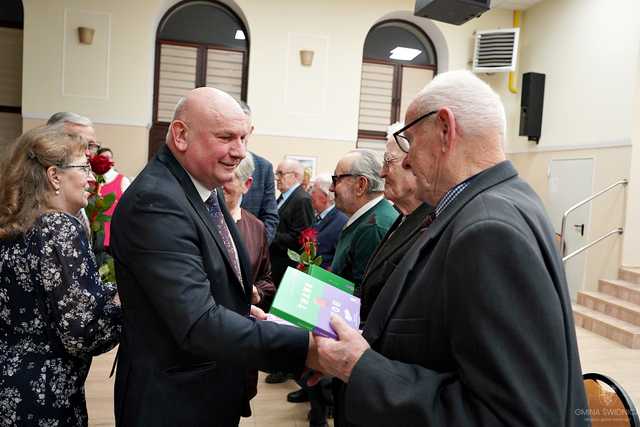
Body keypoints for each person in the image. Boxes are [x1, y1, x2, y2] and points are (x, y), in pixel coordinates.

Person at [308, 70, 589, 426]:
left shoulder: (488, 228)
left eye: (409, 141)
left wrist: (361, 367)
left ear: (445, 129)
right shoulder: (499, 201)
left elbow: (512, 416)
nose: (405, 161)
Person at [110, 87, 311, 426]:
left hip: (209, 389)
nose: (239, 152)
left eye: (244, 138)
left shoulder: (201, 187)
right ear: (181, 135)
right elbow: (198, 323)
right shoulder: (156, 202)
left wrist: (237, 307)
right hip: (174, 403)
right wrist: (308, 347)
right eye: (226, 137)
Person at [0, 125, 121, 426]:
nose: (92, 179)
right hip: (45, 397)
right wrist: (127, 301)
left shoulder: (16, 226)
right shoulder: (59, 227)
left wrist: (109, 291)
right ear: (55, 176)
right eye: (84, 168)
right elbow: (84, 334)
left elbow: (52, 296)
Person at [358, 122, 432, 323]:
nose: (382, 173)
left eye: (388, 162)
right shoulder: (403, 216)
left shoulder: (431, 227)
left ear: (414, 163)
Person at [265, 158, 315, 384]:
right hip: (278, 266)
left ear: (295, 176)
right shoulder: (285, 197)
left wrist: (268, 235)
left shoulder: (302, 199)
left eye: (281, 173)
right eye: (276, 173)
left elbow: (301, 237)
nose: (277, 178)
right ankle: (278, 364)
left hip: (289, 267)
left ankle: (284, 369)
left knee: (285, 321)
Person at [330, 149, 398, 292]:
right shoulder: (369, 219)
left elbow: (364, 296)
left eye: (336, 180)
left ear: (361, 185)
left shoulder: (373, 227)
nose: (331, 188)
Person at [222, 152, 276, 311]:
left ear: (246, 184)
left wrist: (256, 293)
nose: (220, 184)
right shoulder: (197, 217)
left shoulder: (256, 227)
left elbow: (266, 280)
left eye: (229, 178)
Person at [237, 101, 279, 243]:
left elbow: (270, 217)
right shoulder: (212, 163)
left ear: (251, 130)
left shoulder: (263, 168)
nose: (239, 136)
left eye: (243, 131)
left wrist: (257, 249)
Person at [309, 173, 348, 269]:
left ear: (324, 196)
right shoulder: (317, 217)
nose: (309, 194)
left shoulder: (341, 221)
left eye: (313, 191)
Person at [95, 147, 130, 250]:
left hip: (114, 235)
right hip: (95, 236)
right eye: (103, 158)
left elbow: (128, 208)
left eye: (109, 158)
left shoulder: (122, 181)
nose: (107, 160)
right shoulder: (93, 181)